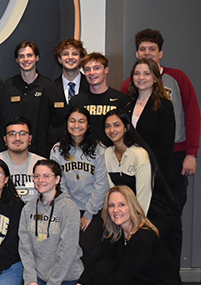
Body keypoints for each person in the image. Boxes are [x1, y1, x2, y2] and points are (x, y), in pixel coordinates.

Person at [120, 29, 201, 213]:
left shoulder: (177, 78)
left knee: (170, 208)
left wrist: (191, 154)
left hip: (173, 156)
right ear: (136, 53)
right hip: (138, 157)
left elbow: (192, 115)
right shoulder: (129, 85)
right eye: (142, 49)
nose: (147, 52)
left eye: (152, 48)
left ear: (160, 53)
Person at [102, 109, 180, 243]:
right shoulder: (108, 153)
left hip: (154, 212)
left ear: (126, 127)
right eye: (107, 126)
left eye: (116, 125)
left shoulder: (139, 154)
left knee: (140, 243)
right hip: (129, 213)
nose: (111, 130)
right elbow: (113, 192)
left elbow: (144, 195)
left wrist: (135, 228)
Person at [48, 107, 108, 281]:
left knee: (87, 249)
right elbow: (59, 182)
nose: (76, 125)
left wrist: (88, 214)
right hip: (67, 207)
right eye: (72, 121)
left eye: (81, 121)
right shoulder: (58, 150)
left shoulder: (100, 150)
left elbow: (101, 184)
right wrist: (70, 210)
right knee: (61, 246)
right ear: (66, 124)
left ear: (88, 124)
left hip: (92, 210)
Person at [93, 186, 181, 285]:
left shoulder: (143, 237)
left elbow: (122, 277)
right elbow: (98, 260)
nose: (116, 210)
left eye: (121, 205)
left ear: (132, 207)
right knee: (103, 267)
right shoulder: (118, 234)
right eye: (111, 206)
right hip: (140, 280)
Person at [18, 159, 83, 285]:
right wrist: (31, 280)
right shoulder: (28, 208)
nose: (40, 180)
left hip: (66, 278)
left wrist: (53, 282)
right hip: (38, 278)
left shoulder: (68, 208)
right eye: (37, 176)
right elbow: (25, 248)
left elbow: (68, 250)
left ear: (57, 179)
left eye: (46, 176)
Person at [5, 41, 66, 157]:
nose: (25, 59)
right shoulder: (8, 86)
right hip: (14, 150)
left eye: (29, 55)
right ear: (17, 60)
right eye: (21, 56)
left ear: (37, 58)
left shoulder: (49, 86)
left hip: (41, 150)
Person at [127, 58, 176, 192]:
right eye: (137, 73)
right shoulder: (128, 105)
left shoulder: (164, 106)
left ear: (155, 77)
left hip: (155, 171)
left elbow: (166, 145)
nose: (141, 77)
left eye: (146, 73)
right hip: (131, 170)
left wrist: (153, 170)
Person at [68, 53, 130, 144]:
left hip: (113, 153)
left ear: (106, 70)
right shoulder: (76, 101)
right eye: (87, 69)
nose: (92, 73)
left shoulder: (121, 99)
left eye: (96, 68)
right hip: (85, 153)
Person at [0, 117, 45, 203]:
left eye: (23, 133)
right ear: (5, 139)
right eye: (12, 134)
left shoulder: (43, 165)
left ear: (30, 139)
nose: (17, 138)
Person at [53, 38, 89, 104]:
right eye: (65, 54)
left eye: (75, 54)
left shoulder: (90, 85)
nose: (70, 57)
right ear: (59, 59)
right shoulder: (50, 88)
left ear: (81, 58)